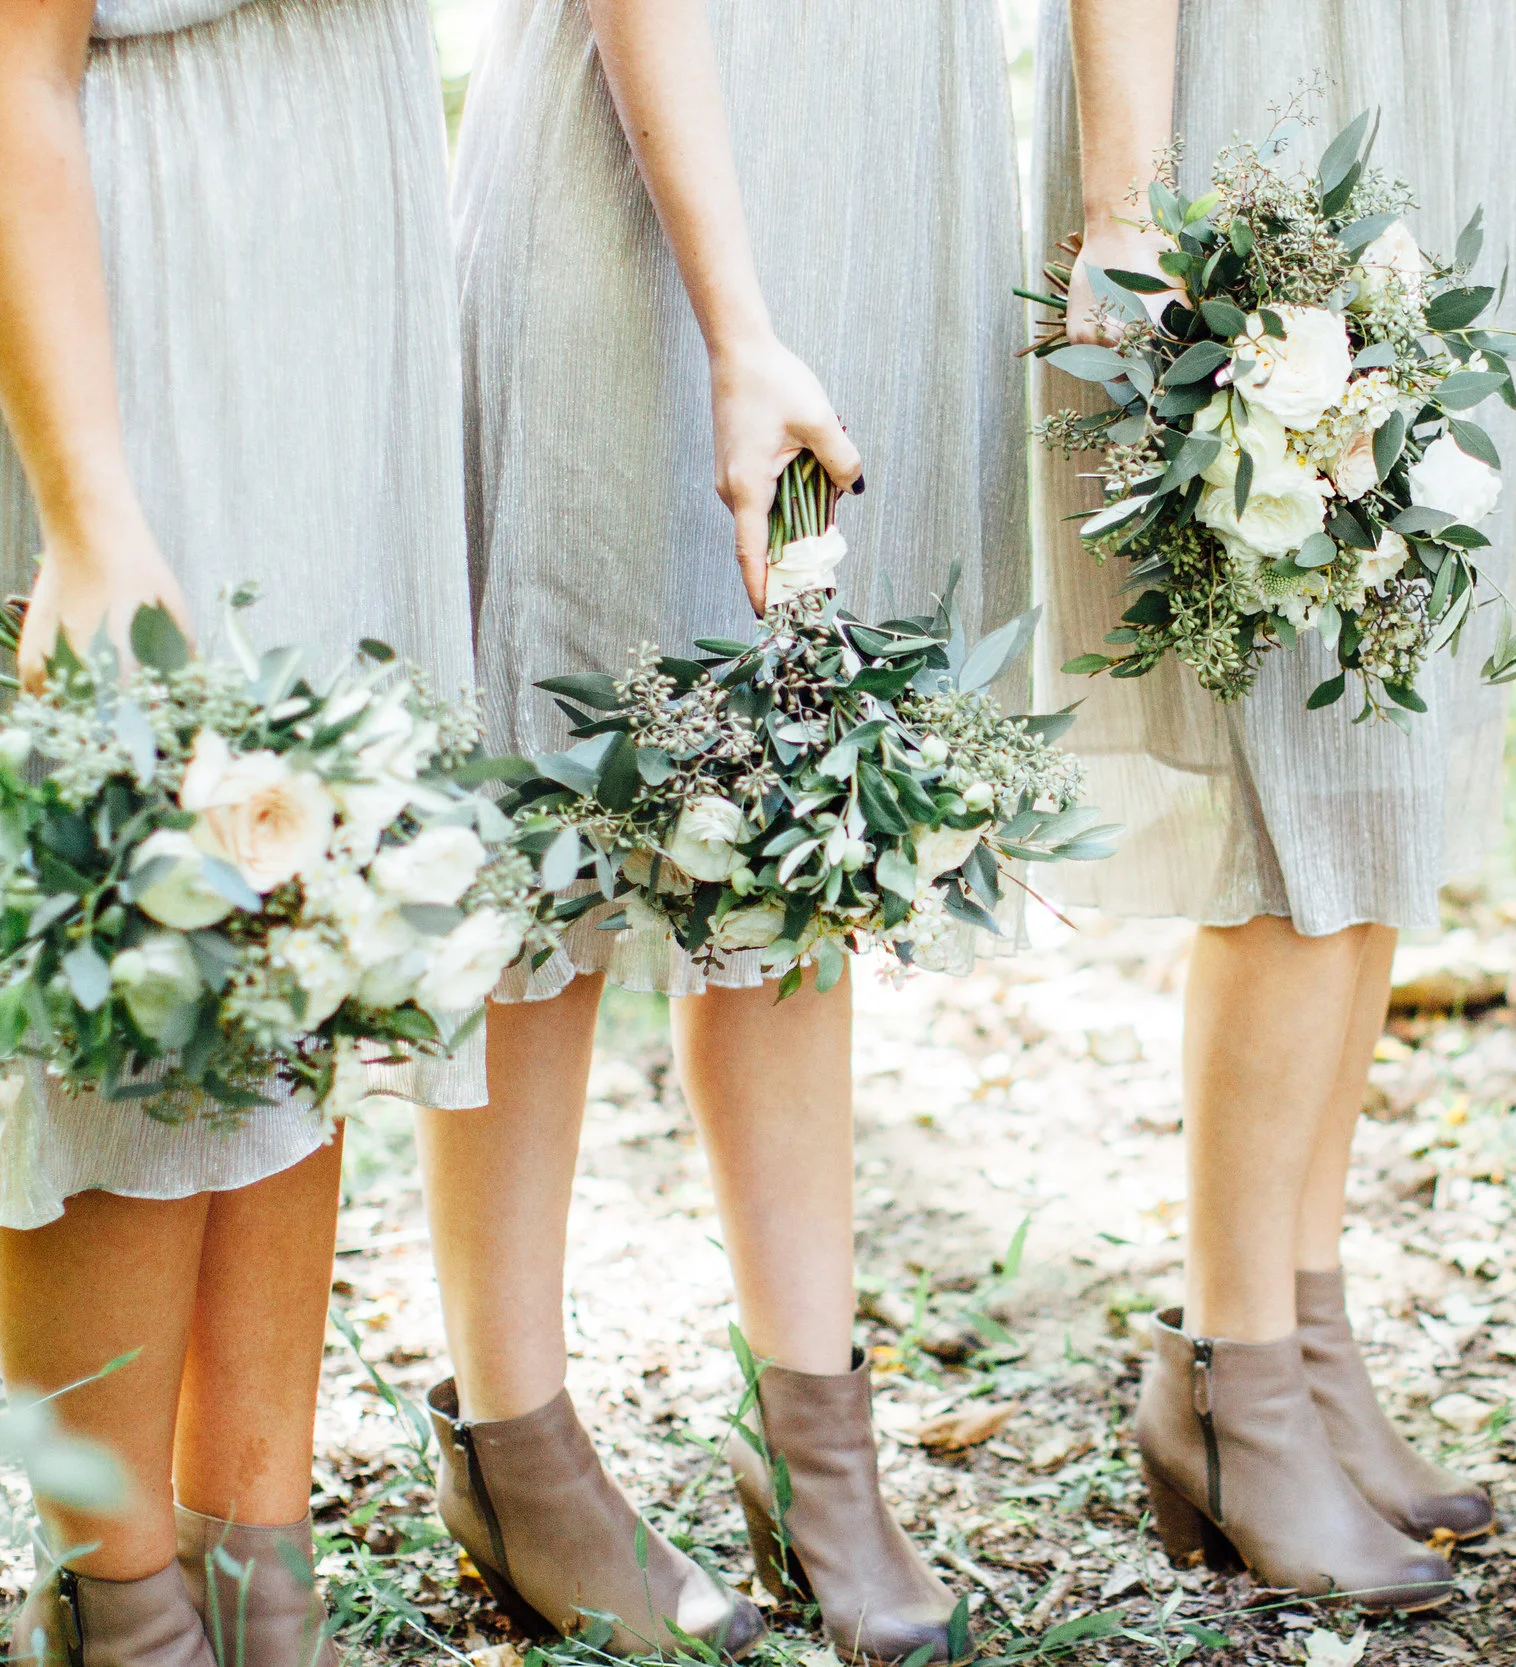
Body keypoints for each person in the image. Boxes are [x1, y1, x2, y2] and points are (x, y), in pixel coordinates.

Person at [421, 2, 1027, 1659]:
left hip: (888, 146)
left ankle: (815, 1441)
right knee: (550, 822)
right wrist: (737, 323)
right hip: (649, 151)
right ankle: (514, 1435)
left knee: (799, 807)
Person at [1038, 0, 1516, 1609]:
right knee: (1302, 754)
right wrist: (1126, 207)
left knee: (1381, 754)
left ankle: (1306, 1326)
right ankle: (1234, 1377)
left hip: (1446, 81)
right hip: (1268, 85)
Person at [0, 0, 472, 1654]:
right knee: (144, 949)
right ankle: (118, 1603)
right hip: (136, 230)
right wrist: (87, 503)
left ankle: (258, 1569)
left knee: (312, 924)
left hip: (346, 188)